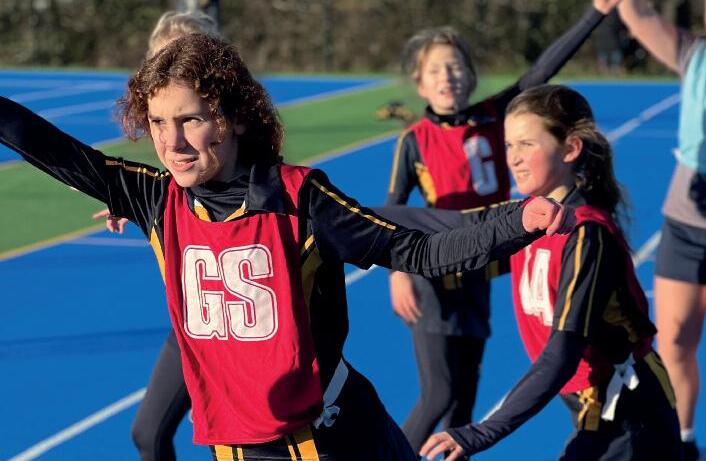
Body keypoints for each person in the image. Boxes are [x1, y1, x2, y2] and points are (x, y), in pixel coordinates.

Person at [0, 34, 569, 460]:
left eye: (190, 120)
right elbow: (52, 148)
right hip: (243, 449)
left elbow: (413, 251)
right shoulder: (155, 199)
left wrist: (517, 223)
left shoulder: (299, 199)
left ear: (233, 118)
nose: (172, 143)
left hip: (341, 434)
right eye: (157, 122)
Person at [380, 85, 681, 460]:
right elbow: (449, 223)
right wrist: (335, 211)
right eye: (508, 145)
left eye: (527, 144)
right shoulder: (526, 217)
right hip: (594, 410)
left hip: (631, 416)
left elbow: (562, 352)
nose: (514, 158)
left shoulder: (586, 235)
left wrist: (483, 431)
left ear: (570, 149)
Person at [385, 0, 621, 451]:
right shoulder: (414, 140)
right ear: (420, 83)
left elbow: (542, 72)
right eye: (435, 70)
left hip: (483, 267)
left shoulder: (497, 117)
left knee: (464, 400)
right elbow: (392, 209)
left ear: (471, 75)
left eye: (456, 67)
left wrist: (595, 12)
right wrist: (398, 272)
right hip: (436, 271)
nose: (447, 77)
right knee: (438, 393)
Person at [89, 10, 220, 461]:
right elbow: (170, 190)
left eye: (180, 57)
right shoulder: (170, 149)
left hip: (242, 328)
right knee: (148, 434)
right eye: (160, 59)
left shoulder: (230, 150)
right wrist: (134, 202)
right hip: (193, 321)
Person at [616, 1, 706, 459]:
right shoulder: (696, 56)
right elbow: (639, 17)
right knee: (672, 341)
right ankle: (683, 442)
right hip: (687, 220)